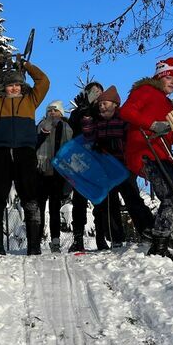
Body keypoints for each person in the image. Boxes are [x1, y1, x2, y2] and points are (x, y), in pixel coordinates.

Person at [119, 58, 173, 262]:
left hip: (162, 155)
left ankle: (160, 230)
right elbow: (126, 112)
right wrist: (151, 124)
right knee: (172, 196)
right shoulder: (145, 91)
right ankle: (159, 245)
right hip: (145, 153)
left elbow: (167, 136)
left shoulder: (167, 103)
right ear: (159, 77)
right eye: (169, 77)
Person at [0, 56, 50, 255]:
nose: (14, 88)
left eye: (17, 84)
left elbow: (44, 82)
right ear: (3, 87)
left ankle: (34, 246)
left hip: (25, 152)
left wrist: (26, 65)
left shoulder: (30, 100)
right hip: (0, 153)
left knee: (30, 197)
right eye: (10, 85)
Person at [81, 86, 156, 249]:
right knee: (109, 202)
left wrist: (120, 147)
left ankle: (148, 231)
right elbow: (88, 137)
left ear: (115, 104)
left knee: (132, 198)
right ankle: (116, 237)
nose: (102, 107)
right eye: (100, 104)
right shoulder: (97, 122)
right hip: (106, 168)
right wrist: (87, 119)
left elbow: (132, 139)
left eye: (105, 104)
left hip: (123, 165)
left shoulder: (122, 119)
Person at [67, 81, 104, 252]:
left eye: (99, 92)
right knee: (79, 201)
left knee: (100, 200)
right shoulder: (78, 112)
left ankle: (101, 237)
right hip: (80, 160)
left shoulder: (102, 112)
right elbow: (73, 125)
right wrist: (83, 110)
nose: (96, 94)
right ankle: (78, 238)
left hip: (98, 160)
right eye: (93, 91)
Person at [35, 100, 72, 253]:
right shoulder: (41, 126)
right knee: (40, 208)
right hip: (42, 171)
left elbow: (70, 146)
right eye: (49, 110)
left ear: (61, 113)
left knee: (55, 208)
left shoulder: (65, 127)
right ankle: (36, 239)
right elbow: (36, 144)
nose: (52, 113)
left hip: (58, 172)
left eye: (55, 110)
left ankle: (55, 240)